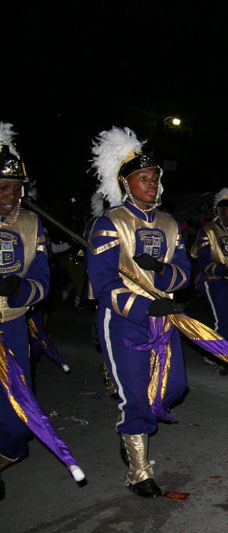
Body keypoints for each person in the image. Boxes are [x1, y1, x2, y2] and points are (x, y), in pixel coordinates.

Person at [87, 127, 191, 498]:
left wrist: (161, 270)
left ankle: (135, 416)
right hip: (124, 321)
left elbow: (184, 272)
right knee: (136, 397)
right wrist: (146, 306)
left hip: (163, 320)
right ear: (125, 183)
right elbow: (104, 285)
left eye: (155, 177)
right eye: (143, 178)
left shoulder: (169, 223)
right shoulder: (109, 223)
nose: (152, 183)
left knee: (174, 388)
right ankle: (138, 470)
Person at [0, 124, 53, 500]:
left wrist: (19, 288)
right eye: (3, 188)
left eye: (17, 188)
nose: (12, 196)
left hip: (13, 326)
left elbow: (42, 279)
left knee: (19, 420)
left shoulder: (31, 225)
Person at [191, 188, 228, 375]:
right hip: (216, 281)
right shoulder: (208, 231)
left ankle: (213, 352)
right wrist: (221, 269)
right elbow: (203, 260)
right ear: (219, 211)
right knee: (224, 321)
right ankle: (220, 357)